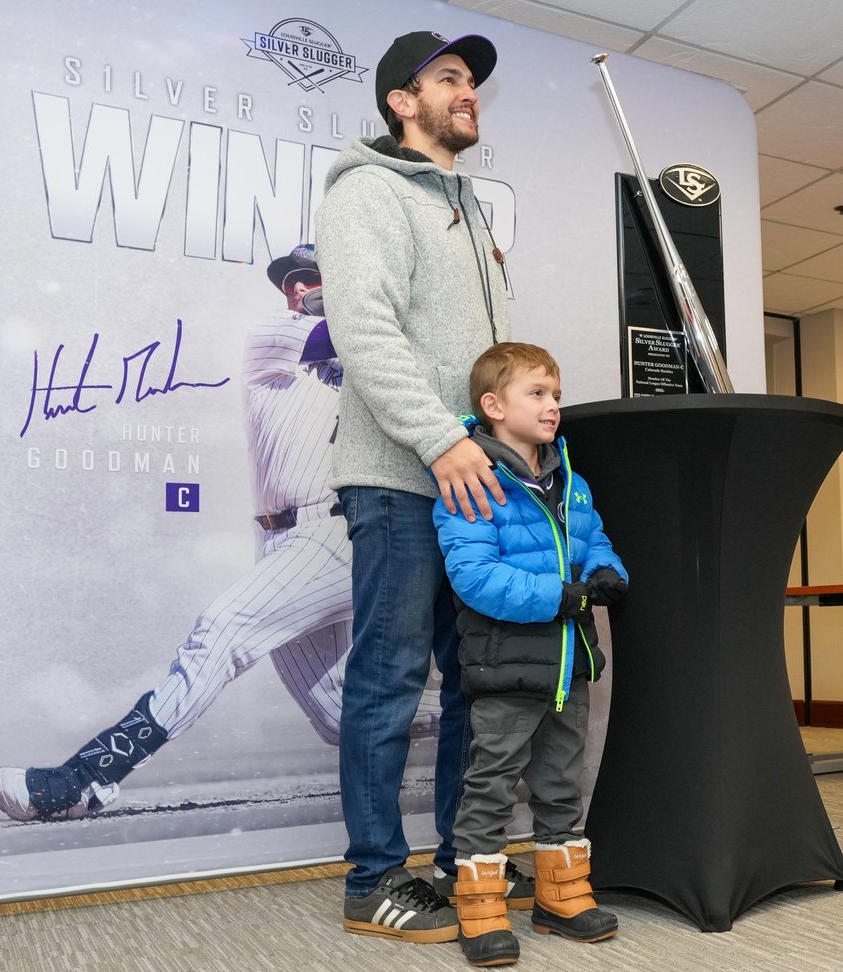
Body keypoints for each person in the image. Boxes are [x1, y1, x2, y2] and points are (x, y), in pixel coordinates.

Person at [0, 246, 440, 822]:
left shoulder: (376, 353)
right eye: (293, 280)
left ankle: (87, 777)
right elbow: (344, 333)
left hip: (338, 529)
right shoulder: (275, 332)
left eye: (313, 278)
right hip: (283, 537)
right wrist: (358, 296)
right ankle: (497, 710)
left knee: (222, 631)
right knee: (339, 714)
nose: (298, 288)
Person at [314, 31, 521, 944]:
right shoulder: (367, 194)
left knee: (472, 681)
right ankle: (371, 880)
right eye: (448, 79)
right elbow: (363, 332)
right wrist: (442, 439)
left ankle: (459, 858)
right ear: (402, 102)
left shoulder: (467, 210)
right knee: (389, 681)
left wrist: (503, 443)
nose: (467, 92)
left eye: (471, 81)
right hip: (400, 478)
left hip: (472, 481)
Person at [433, 342, 629, 966]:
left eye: (556, 396)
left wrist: (605, 570)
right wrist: (563, 596)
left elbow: (593, 537)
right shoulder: (472, 481)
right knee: (490, 785)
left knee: (560, 783)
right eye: (537, 394)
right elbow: (474, 578)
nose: (552, 408)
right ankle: (480, 907)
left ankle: (560, 897)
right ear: (493, 406)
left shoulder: (571, 479)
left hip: (569, 666)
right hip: (506, 665)